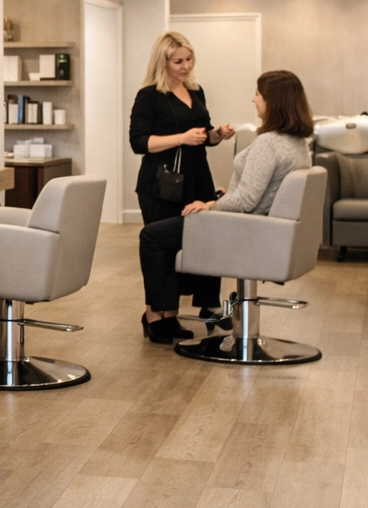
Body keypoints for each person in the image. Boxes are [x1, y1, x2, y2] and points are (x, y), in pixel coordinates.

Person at [138, 70, 315, 344]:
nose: (253, 99)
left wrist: (210, 204)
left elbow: (245, 201)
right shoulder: (298, 143)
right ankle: (180, 313)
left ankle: (159, 315)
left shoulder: (269, 143)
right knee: (168, 231)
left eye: (258, 94)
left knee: (151, 236)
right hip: (263, 227)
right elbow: (262, 194)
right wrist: (224, 195)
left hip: (242, 228)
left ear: (273, 101)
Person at [129, 32, 235, 341]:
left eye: (189, 60)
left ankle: (174, 314)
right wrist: (181, 138)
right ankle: (155, 315)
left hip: (197, 180)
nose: (186, 66)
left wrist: (216, 134)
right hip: (161, 184)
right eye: (178, 61)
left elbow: (202, 135)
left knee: (195, 244)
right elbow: (140, 143)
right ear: (163, 62)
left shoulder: (196, 91)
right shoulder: (149, 96)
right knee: (161, 249)